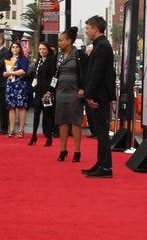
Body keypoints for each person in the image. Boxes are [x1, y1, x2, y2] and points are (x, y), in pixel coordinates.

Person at [81, 16, 117, 178]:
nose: (86, 31)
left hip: (99, 96)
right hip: (99, 95)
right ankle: (101, 163)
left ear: (96, 29)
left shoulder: (102, 46)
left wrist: (89, 95)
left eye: (88, 28)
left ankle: (106, 167)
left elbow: (97, 73)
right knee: (99, 132)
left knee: (102, 133)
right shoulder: (100, 45)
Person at [51, 27, 85, 163]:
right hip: (60, 91)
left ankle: (77, 151)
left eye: (61, 40)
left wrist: (82, 88)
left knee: (76, 121)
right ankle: (63, 150)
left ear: (69, 41)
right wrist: (50, 90)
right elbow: (55, 74)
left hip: (75, 91)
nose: (59, 43)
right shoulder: (58, 56)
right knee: (62, 121)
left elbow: (84, 72)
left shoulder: (79, 54)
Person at [27, 42, 56, 146]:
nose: (42, 51)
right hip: (38, 91)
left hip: (47, 92)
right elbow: (35, 76)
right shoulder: (39, 61)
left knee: (47, 114)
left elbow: (54, 77)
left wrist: (50, 91)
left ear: (48, 50)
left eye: (44, 49)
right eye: (40, 49)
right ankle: (33, 136)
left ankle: (49, 138)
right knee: (36, 113)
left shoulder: (52, 60)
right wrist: (34, 87)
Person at [3, 41, 30, 137]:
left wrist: (11, 73)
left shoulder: (23, 58)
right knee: (11, 107)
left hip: (20, 85)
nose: (15, 49)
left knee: (21, 107)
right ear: (10, 49)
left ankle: (21, 130)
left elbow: (23, 71)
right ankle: (11, 130)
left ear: (20, 49)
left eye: (17, 47)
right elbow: (4, 72)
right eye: (13, 47)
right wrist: (6, 73)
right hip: (10, 84)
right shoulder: (8, 59)